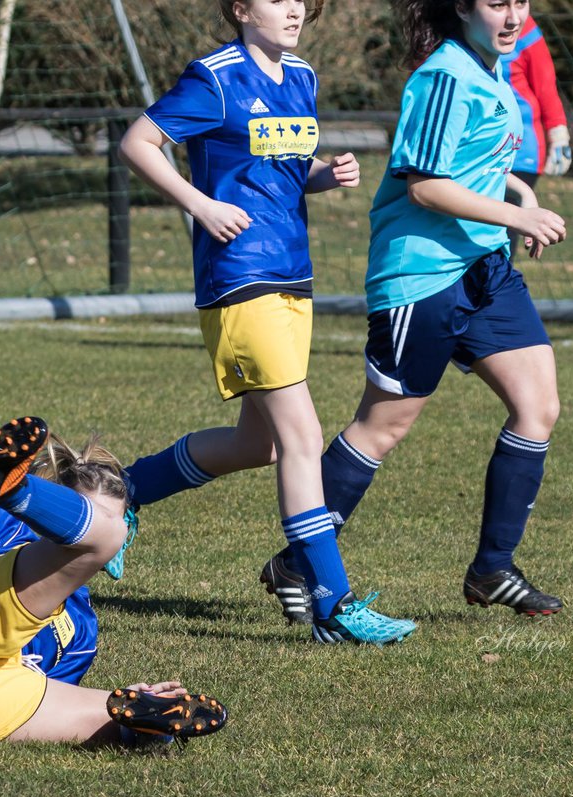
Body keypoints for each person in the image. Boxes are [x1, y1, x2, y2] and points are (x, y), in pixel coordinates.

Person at [116, 0, 415, 646]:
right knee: (304, 436)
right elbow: (137, 142)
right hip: (238, 279)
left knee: (264, 445)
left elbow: (272, 171)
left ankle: (124, 490)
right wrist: (200, 204)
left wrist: (322, 176)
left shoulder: (301, 77)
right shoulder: (215, 77)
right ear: (240, 9)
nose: (296, 9)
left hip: (292, 276)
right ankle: (332, 601)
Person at [261, 0, 568, 621]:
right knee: (382, 429)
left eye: (520, 2)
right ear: (462, 7)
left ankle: (492, 569)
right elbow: (425, 184)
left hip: (484, 269)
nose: (512, 16)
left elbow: (473, 162)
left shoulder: (492, 69)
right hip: (421, 277)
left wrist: (517, 188)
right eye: (496, 4)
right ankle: (297, 561)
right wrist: (519, 215)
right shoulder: (443, 74)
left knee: (538, 408)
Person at [0, 416, 227, 746]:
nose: (102, 529)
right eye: (90, 515)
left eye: (109, 516)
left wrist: (138, 705)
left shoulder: (82, 629)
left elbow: (45, 700)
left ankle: (144, 728)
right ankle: (16, 488)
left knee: (119, 720)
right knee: (108, 534)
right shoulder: (9, 526)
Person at [500, 9, 571, 255]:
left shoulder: (523, 27)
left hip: (521, 152)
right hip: (476, 147)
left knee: (498, 241)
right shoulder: (456, 28)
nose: (511, 15)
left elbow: (545, 86)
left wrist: (559, 134)